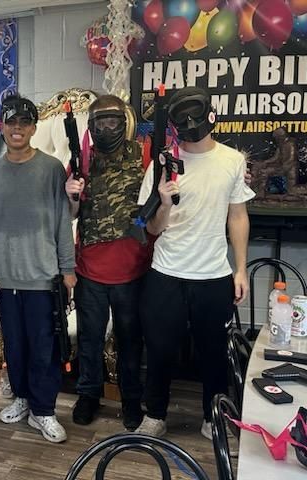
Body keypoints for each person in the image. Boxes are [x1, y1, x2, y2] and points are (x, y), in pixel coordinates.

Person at [133, 86, 255, 439]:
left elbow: (238, 216)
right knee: (158, 348)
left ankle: (212, 416)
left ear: (208, 116)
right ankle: (155, 415)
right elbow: (151, 228)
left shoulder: (232, 161)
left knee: (213, 352)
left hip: (213, 274)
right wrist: (165, 203)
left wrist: (241, 267)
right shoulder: (162, 164)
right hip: (166, 273)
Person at [0, 94, 76, 443]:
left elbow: (64, 220)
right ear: (2, 127)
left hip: (43, 277)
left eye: (24, 124)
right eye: (11, 123)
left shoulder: (51, 169)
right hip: (4, 278)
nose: (17, 129)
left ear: (33, 128)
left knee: (44, 347)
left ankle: (44, 410)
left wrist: (67, 269)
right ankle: (21, 397)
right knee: (15, 345)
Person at [64, 95, 150, 430]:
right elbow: (71, 214)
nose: (106, 128)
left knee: (130, 339)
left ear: (124, 122)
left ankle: (131, 400)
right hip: (90, 270)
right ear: (90, 126)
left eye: (112, 121)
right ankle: (88, 395)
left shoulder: (143, 154)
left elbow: (160, 200)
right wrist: (71, 194)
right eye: (99, 122)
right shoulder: (81, 160)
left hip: (132, 269)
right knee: (89, 338)